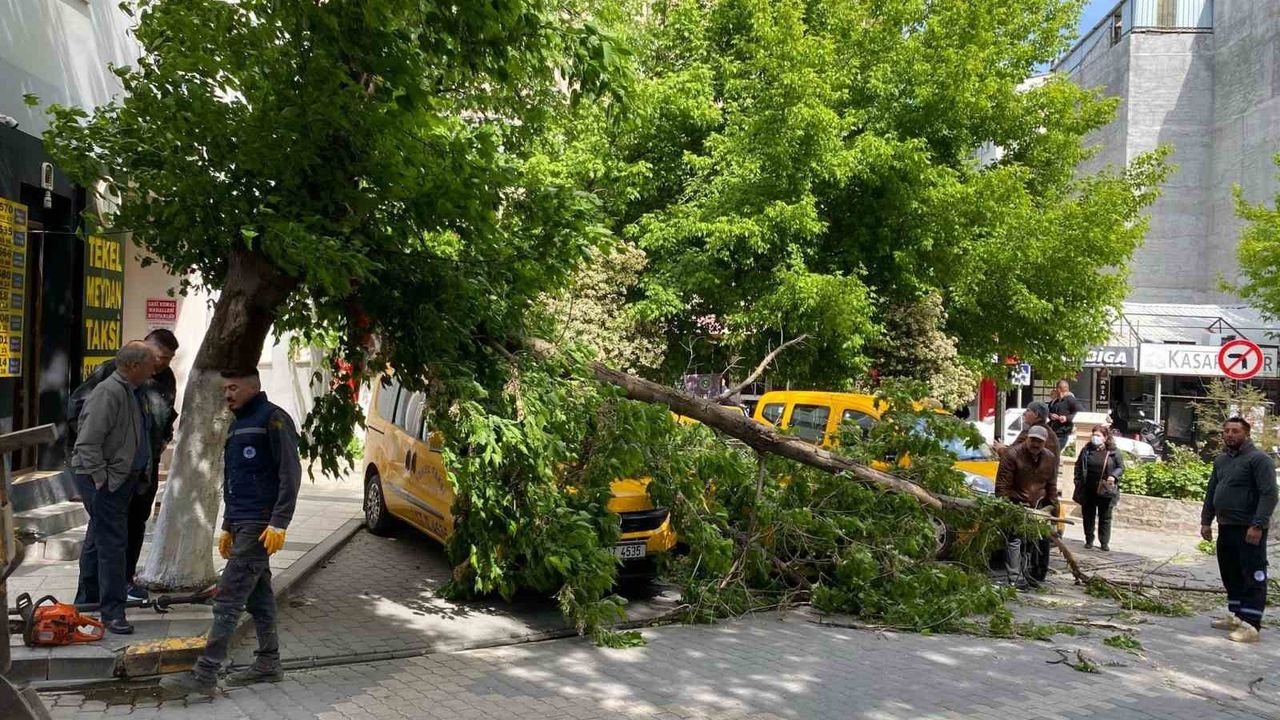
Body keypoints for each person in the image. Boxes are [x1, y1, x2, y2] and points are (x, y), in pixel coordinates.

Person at [162, 368, 303, 697]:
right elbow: (234, 480)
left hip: (259, 525)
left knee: (228, 597)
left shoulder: (273, 419)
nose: (227, 395)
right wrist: (227, 525)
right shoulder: (237, 424)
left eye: (234, 388)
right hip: (241, 522)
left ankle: (205, 673)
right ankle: (268, 662)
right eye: (225, 389)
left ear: (253, 387)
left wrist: (279, 521)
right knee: (259, 597)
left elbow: (290, 473)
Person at [68, 328, 180, 601]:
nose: (161, 364)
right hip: (109, 468)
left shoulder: (165, 377)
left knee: (135, 523)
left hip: (143, 467)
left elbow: (166, 414)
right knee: (104, 531)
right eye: (159, 357)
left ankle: (124, 583)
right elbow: (80, 418)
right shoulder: (111, 376)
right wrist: (100, 469)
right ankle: (90, 597)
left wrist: (164, 438)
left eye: (168, 359)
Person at [70, 341, 156, 634]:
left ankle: (88, 603)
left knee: (100, 540)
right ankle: (112, 612)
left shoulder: (131, 391)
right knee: (112, 545)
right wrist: (101, 479)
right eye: (149, 364)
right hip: (107, 480)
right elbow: (87, 442)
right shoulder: (108, 392)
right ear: (133, 366)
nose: (153, 369)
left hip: (120, 478)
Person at [1201, 417, 1277, 644]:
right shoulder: (1221, 460)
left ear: (1247, 434)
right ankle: (1236, 614)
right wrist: (1206, 521)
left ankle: (1251, 624)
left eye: (1235, 431)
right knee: (1230, 571)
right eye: (1226, 431)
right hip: (1226, 525)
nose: (1230, 434)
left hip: (1249, 527)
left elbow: (1269, 494)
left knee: (1252, 573)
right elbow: (1212, 490)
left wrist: (1258, 524)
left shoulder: (1259, 459)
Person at [995, 425, 1059, 589]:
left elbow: (1051, 485)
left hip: (1038, 506)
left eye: (1039, 441)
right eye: (1033, 440)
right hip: (1016, 504)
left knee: (1035, 540)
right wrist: (1007, 507)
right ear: (1027, 438)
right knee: (1015, 540)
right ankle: (1014, 578)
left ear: (1045, 442)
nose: (1035, 444)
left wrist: (1052, 506)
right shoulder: (1012, 455)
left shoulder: (1049, 457)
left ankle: (1031, 574)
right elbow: (1002, 487)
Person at [1072, 425, 1124, 551]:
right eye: (1093, 435)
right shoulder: (1086, 450)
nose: (1095, 437)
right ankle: (1089, 539)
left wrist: (1113, 476)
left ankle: (1104, 542)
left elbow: (1120, 467)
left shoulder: (1113, 452)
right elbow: (1078, 466)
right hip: (1088, 489)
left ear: (1105, 438)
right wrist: (1077, 481)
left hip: (1105, 489)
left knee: (1105, 517)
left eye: (1098, 435)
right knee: (1088, 516)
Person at [993, 401, 1061, 459]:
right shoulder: (1050, 432)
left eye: (1028, 410)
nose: (1024, 413)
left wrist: (1000, 449)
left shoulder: (1033, 433)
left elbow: (1015, 455)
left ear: (1036, 414)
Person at [1047, 380, 1083, 455]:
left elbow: (1081, 413)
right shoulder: (1055, 401)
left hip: (1062, 434)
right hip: (1052, 432)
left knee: (1053, 454)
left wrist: (1067, 418)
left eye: (1056, 388)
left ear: (1059, 389)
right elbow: (1047, 411)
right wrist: (1051, 415)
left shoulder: (1071, 400)